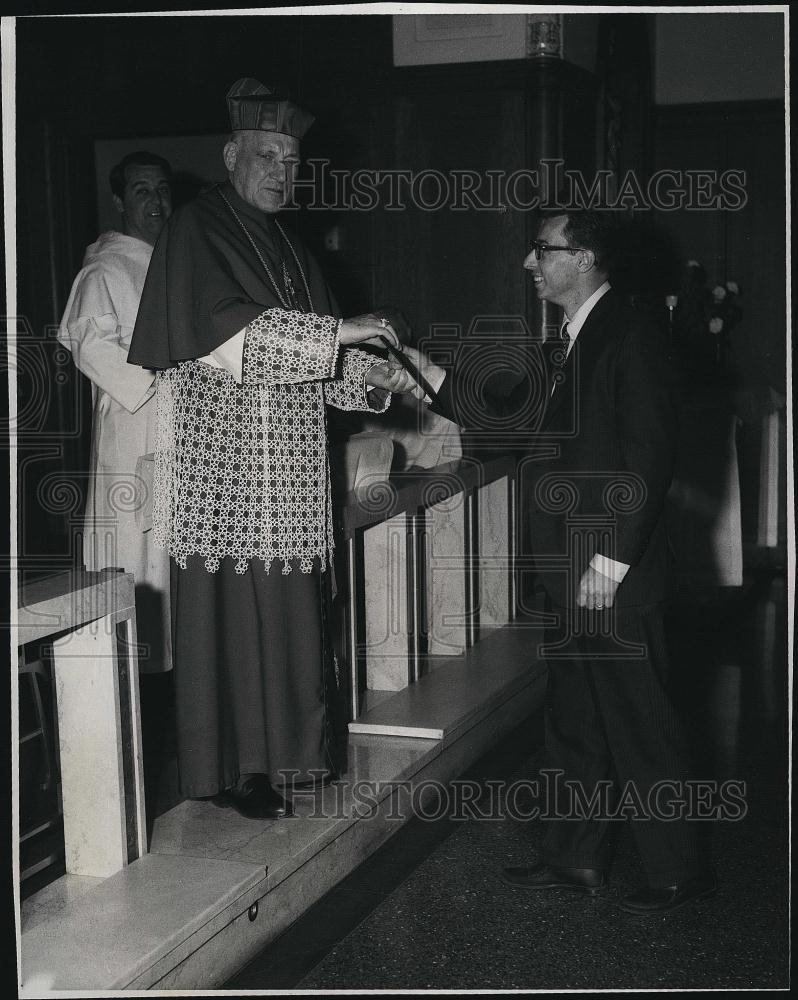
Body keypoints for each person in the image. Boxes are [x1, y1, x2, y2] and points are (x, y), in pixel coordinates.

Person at [401, 208, 715, 915]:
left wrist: (610, 566)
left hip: (610, 569)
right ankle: (574, 857)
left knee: (640, 717)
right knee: (575, 718)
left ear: (588, 259)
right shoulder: (566, 344)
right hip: (564, 563)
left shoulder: (632, 332)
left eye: (543, 251)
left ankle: (679, 869)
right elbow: (507, 421)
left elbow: (649, 457)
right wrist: (422, 374)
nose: (529, 264)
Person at [128, 78, 415, 820]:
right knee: (227, 621)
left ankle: (289, 756)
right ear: (231, 154)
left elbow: (313, 361)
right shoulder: (197, 227)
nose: (282, 172)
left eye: (292, 159)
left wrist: (366, 374)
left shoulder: (290, 243)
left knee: (290, 618)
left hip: (287, 469)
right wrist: (340, 335)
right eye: (267, 155)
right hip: (223, 467)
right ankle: (230, 769)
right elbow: (226, 332)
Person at [57, 150, 174, 675]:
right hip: (136, 423)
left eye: (162, 189)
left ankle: (174, 679)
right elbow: (87, 343)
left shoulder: (175, 259)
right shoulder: (105, 267)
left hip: (181, 425)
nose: (156, 201)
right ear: (120, 202)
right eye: (142, 190)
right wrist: (154, 384)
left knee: (172, 558)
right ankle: (130, 682)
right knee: (131, 549)